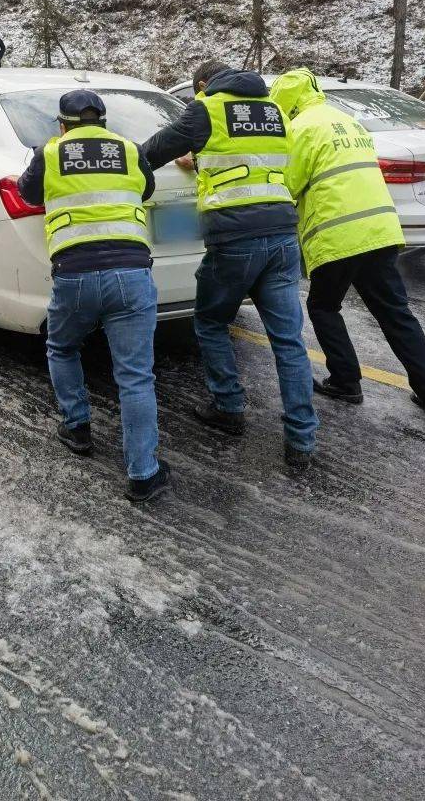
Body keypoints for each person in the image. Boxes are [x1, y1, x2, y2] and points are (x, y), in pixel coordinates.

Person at [142, 61, 318, 467]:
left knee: (210, 321)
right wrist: (203, 160)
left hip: (236, 237)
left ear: (204, 84)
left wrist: (116, 163)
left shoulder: (207, 108)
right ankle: (302, 440)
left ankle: (228, 406)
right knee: (288, 340)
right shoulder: (274, 111)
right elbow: (255, 161)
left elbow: (156, 149)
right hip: (282, 233)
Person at [17, 90, 170, 502]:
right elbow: (146, 191)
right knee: (136, 376)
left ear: (62, 123)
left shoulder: (50, 153)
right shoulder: (130, 150)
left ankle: (77, 426)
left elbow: (28, 193)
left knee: (62, 347)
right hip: (132, 273)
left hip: (75, 274)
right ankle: (143, 473)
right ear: (102, 122)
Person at [270, 68, 425, 420]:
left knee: (323, 306)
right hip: (379, 229)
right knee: (394, 312)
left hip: (339, 233)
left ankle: (346, 381)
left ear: (285, 103)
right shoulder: (346, 120)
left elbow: (289, 184)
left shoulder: (300, 128)